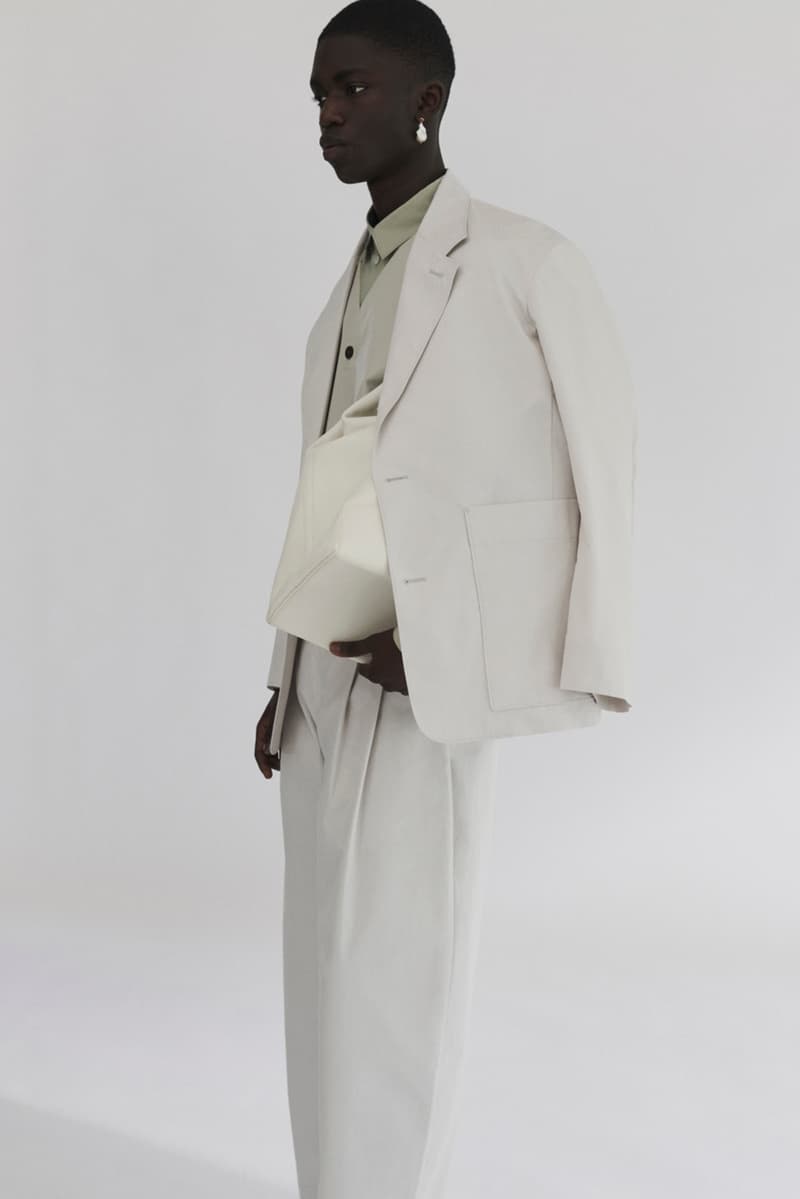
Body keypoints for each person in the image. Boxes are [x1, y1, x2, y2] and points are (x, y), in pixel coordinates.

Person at [254, 3, 636, 1196]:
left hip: (428, 674)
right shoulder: (345, 290)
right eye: (318, 92)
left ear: (427, 100)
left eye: (353, 88)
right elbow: (326, 486)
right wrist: (279, 674)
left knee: (398, 974)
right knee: (321, 972)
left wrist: (474, 651)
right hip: (324, 677)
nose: (328, 114)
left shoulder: (525, 261)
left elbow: (598, 475)